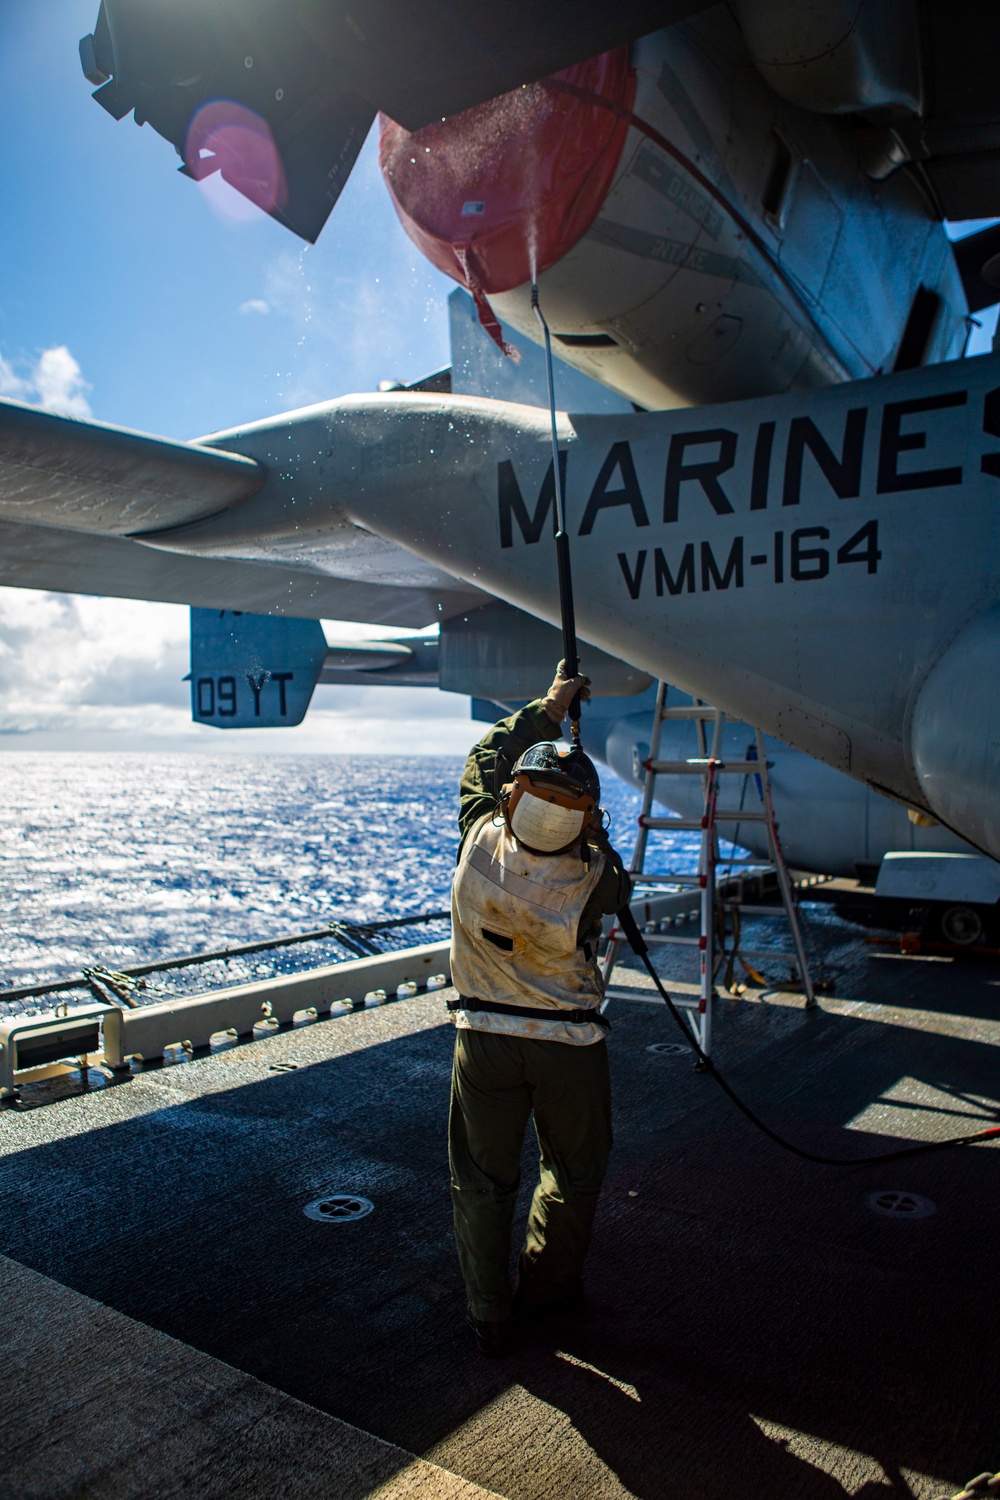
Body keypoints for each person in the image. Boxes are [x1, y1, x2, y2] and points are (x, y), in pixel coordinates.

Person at [447, 663, 632, 1356]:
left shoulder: (476, 836)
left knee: (481, 1179)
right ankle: (548, 1293)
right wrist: (589, 820)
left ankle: (488, 1311)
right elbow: (614, 872)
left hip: (483, 1038)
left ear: (512, 797)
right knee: (575, 1174)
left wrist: (550, 708)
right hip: (569, 1048)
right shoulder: (594, 878)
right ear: (583, 819)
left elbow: (483, 757)